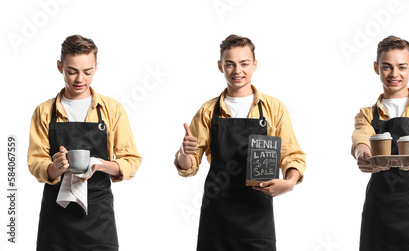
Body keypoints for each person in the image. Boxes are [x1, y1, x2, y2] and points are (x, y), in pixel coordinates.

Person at [174, 34, 306, 251]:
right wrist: (183, 152)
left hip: (258, 215)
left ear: (254, 65)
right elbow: (189, 167)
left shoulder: (273, 108)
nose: (237, 71)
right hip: (217, 216)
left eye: (244, 63)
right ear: (220, 66)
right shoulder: (208, 111)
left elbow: (292, 154)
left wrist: (289, 181)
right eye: (230, 64)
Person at [27, 34, 143, 250]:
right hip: (56, 221)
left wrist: (100, 164)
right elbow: (36, 163)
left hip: (98, 217)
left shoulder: (112, 109)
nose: (80, 79)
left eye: (87, 71)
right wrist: (55, 168)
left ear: (96, 67)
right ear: (60, 67)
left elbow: (132, 160)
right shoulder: (43, 112)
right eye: (72, 71)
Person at [350, 35, 409, 251]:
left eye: (402, 67)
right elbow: (361, 138)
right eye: (387, 67)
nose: (394, 74)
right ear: (376, 68)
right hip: (380, 211)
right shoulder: (366, 114)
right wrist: (362, 155)